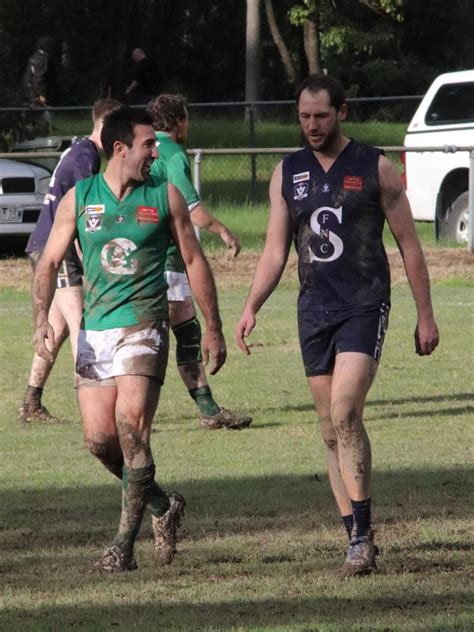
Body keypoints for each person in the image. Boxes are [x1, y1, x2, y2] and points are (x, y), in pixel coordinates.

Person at [236, 74, 439, 576]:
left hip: (364, 304)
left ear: (342, 112)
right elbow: (275, 250)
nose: (311, 125)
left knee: (346, 411)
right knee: (330, 430)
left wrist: (426, 314)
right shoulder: (287, 173)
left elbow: (410, 246)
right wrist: (251, 305)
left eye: (321, 116)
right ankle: (354, 536)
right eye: (304, 116)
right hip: (314, 310)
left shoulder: (377, 168)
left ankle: (364, 534)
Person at [31, 107, 227, 572]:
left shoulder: (165, 197)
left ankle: (122, 545)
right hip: (96, 331)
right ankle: (163, 505)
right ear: (120, 148)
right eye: (148, 146)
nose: (155, 154)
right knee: (100, 442)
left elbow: (195, 262)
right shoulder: (79, 199)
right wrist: (41, 316)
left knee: (130, 427)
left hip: (145, 325)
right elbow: (48, 261)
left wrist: (213, 327)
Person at [148, 94, 252, 430]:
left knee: (156, 332)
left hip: (138, 256)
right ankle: (207, 411)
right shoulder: (173, 154)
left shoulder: (142, 149)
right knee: (185, 332)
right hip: (166, 258)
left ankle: (205, 409)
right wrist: (224, 231)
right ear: (178, 121)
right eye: (187, 119)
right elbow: (193, 210)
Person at [18, 98, 122, 423]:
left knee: (58, 329)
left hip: (46, 244)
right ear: (103, 126)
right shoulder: (86, 157)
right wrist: (89, 261)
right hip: (56, 250)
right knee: (83, 329)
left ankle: (31, 403)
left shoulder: (78, 150)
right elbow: (83, 214)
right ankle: (101, 414)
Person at [21, 36, 58, 136]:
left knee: (32, 114)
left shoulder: (34, 56)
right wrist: (41, 94)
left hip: (28, 91)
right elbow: (39, 78)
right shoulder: (43, 59)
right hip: (35, 92)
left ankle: (32, 133)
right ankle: (42, 134)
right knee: (44, 114)